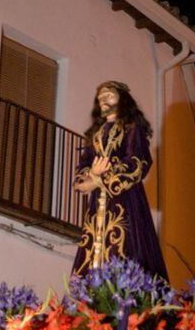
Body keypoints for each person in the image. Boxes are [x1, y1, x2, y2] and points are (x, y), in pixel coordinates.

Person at [71, 81, 168, 279]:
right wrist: (87, 179)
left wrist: (100, 179)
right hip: (97, 206)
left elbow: (137, 161)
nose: (103, 100)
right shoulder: (95, 135)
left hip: (125, 200)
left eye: (109, 95)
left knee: (124, 250)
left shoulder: (132, 128)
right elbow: (84, 164)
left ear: (122, 98)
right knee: (92, 255)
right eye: (100, 98)